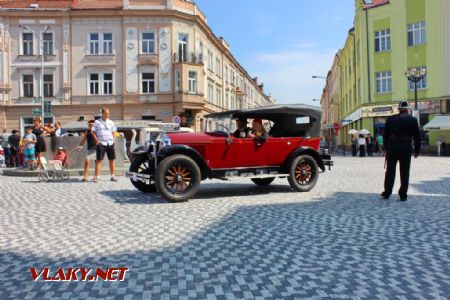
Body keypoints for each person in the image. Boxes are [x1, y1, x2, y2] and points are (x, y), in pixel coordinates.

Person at [381, 101, 420, 201]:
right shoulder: (413, 120)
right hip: (406, 147)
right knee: (405, 172)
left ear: (399, 109)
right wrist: (417, 150)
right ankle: (403, 195)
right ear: (407, 109)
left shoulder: (391, 119)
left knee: (390, 171)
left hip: (392, 147)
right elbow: (417, 136)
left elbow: (385, 135)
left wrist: (385, 148)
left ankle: (387, 193)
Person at [91, 108, 118, 182]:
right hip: (101, 143)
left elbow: (114, 132)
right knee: (99, 160)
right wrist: (97, 140)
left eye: (108, 113)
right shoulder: (97, 122)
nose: (107, 115)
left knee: (112, 160)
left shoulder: (111, 122)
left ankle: (112, 176)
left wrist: (113, 140)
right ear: (102, 113)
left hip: (110, 143)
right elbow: (92, 132)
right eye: (106, 113)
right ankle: (97, 177)